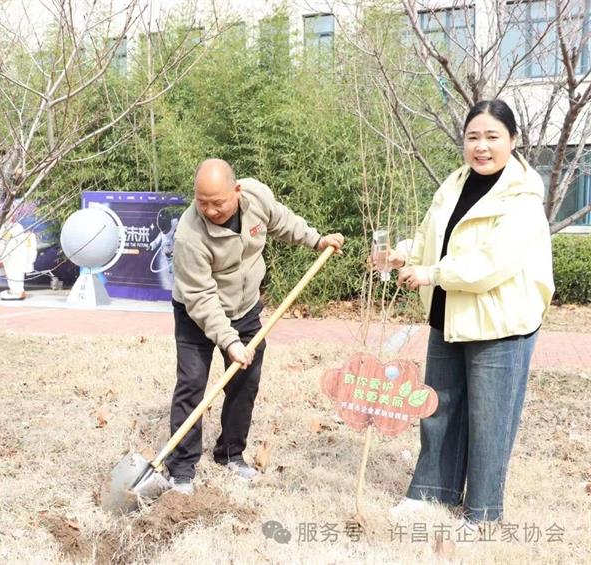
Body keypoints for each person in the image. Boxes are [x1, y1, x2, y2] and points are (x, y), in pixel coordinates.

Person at [376, 100, 554, 526]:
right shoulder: (455, 183)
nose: (481, 146)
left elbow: (493, 264)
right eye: (473, 137)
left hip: (498, 322)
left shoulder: (523, 198)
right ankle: (431, 492)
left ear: (513, 140)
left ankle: (482, 513)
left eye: (493, 137)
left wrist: (432, 273)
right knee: (439, 407)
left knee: (490, 421)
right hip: (449, 314)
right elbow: (429, 237)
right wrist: (402, 256)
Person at [166, 158, 344, 494]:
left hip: (245, 306)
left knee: (245, 381)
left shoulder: (256, 196)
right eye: (202, 203)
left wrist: (316, 240)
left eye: (218, 202)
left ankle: (231, 454)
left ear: (236, 191)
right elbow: (201, 297)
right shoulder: (189, 235)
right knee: (192, 383)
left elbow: (281, 220)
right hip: (196, 312)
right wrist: (230, 342)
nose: (210, 210)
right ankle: (181, 469)